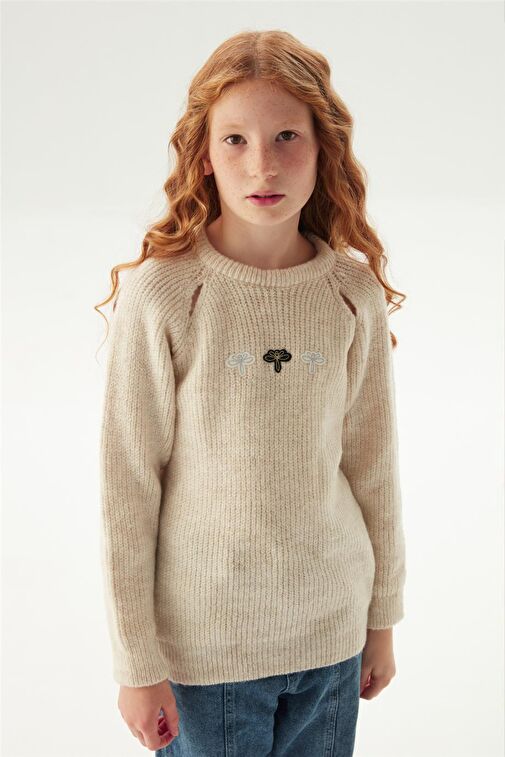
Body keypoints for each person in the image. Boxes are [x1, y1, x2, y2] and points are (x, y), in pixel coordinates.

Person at [96, 29, 407, 756]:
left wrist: (381, 618)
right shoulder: (166, 295)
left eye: (286, 136)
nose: (262, 164)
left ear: (324, 147)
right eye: (235, 139)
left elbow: (373, 465)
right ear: (204, 155)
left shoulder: (350, 292)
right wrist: (136, 664)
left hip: (331, 642)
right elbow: (127, 487)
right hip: (206, 657)